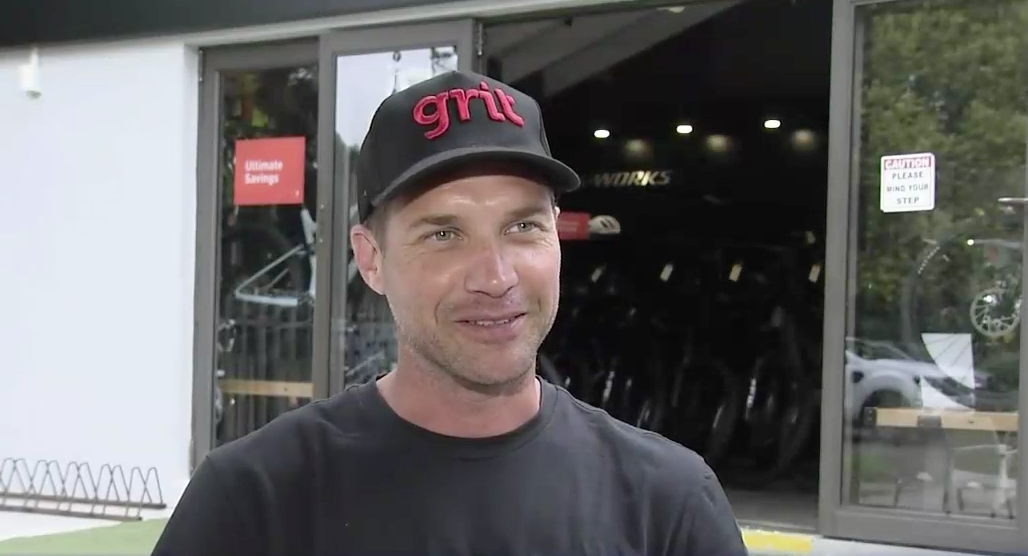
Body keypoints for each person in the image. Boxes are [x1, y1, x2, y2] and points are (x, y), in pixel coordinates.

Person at [152, 70, 747, 556]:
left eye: (523, 227)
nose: (496, 276)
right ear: (372, 259)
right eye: (444, 234)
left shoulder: (668, 507)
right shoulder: (253, 503)